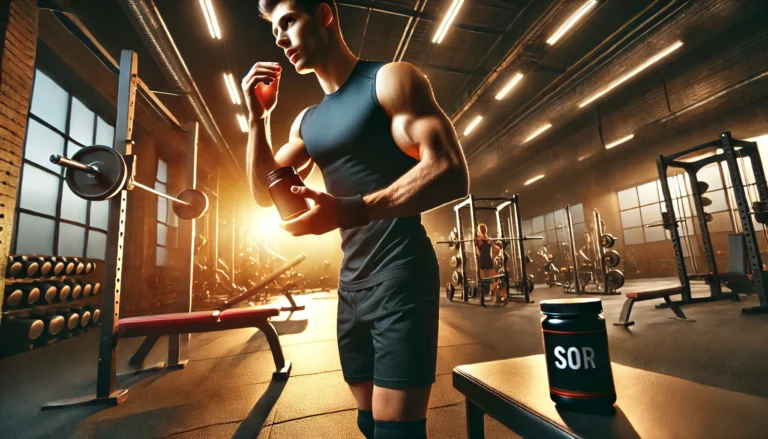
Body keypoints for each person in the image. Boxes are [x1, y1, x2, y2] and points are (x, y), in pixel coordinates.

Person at [243, 1, 470, 437]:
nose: (280, 37)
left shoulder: (389, 80)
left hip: (400, 272)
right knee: (368, 421)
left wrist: (349, 209)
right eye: (274, 30)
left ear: (324, 15)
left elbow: (448, 169)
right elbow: (262, 192)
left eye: (288, 21)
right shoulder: (308, 122)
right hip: (351, 285)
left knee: (396, 430)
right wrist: (257, 120)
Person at [474, 224, 503, 302]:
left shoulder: (487, 239)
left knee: (495, 278)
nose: (483, 231)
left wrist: (492, 243)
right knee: (481, 279)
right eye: (482, 229)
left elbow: (495, 248)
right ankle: (485, 295)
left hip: (486, 258)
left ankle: (492, 288)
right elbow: (478, 248)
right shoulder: (478, 238)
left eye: (484, 229)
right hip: (482, 259)